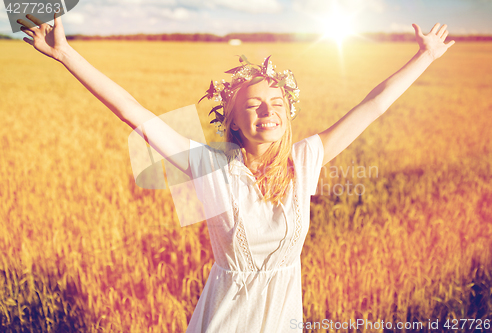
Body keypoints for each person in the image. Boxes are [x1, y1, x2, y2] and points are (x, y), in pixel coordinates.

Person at [18, 10, 455, 333]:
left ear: (289, 114)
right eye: (253, 105)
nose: (268, 112)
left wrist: (426, 57)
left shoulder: (304, 160)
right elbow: (136, 114)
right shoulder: (210, 166)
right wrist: (65, 54)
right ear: (234, 121)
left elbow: (372, 106)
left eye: (277, 104)